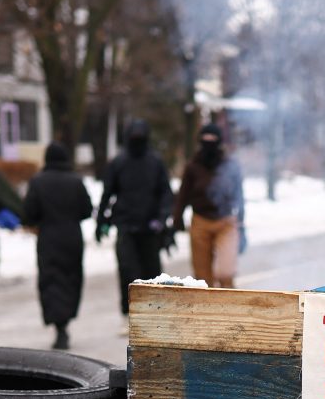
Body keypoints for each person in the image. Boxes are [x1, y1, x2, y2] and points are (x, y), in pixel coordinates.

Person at [99, 118, 175, 333]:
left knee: (152, 273)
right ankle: (128, 315)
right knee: (127, 271)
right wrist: (101, 221)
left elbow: (166, 194)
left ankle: (154, 315)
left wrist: (161, 219)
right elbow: (107, 193)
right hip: (125, 227)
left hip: (150, 229)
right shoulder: (119, 162)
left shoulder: (155, 162)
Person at [22, 141, 94, 350]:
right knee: (71, 279)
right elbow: (87, 210)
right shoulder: (76, 181)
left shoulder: (37, 182)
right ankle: (66, 319)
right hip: (72, 237)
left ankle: (59, 327)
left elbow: (28, 214)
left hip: (49, 239)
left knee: (51, 280)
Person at [172, 122, 245, 288]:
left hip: (226, 222)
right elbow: (183, 195)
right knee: (202, 278)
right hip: (200, 222)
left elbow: (239, 196)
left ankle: (230, 310)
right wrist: (177, 219)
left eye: (213, 139)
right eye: (205, 139)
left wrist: (241, 224)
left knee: (225, 272)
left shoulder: (230, 165)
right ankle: (208, 311)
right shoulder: (192, 167)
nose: (209, 143)